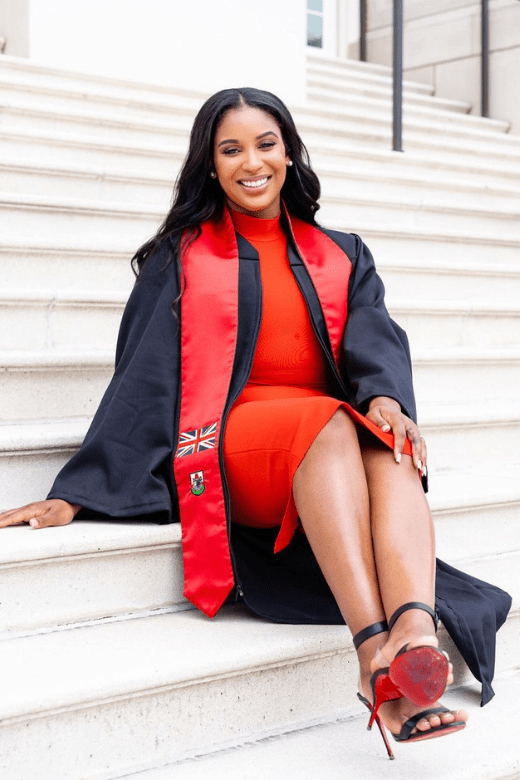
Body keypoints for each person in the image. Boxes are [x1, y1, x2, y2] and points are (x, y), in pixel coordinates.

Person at [0, 88, 511, 759]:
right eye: (231, 149)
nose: (252, 162)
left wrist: (386, 397)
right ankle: (370, 659)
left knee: (389, 440)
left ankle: (412, 633)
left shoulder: (342, 254)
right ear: (210, 165)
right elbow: (142, 379)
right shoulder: (181, 258)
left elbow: (375, 348)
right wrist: (83, 488)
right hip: (230, 439)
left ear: (290, 152)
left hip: (321, 438)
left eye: (266, 144)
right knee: (328, 424)